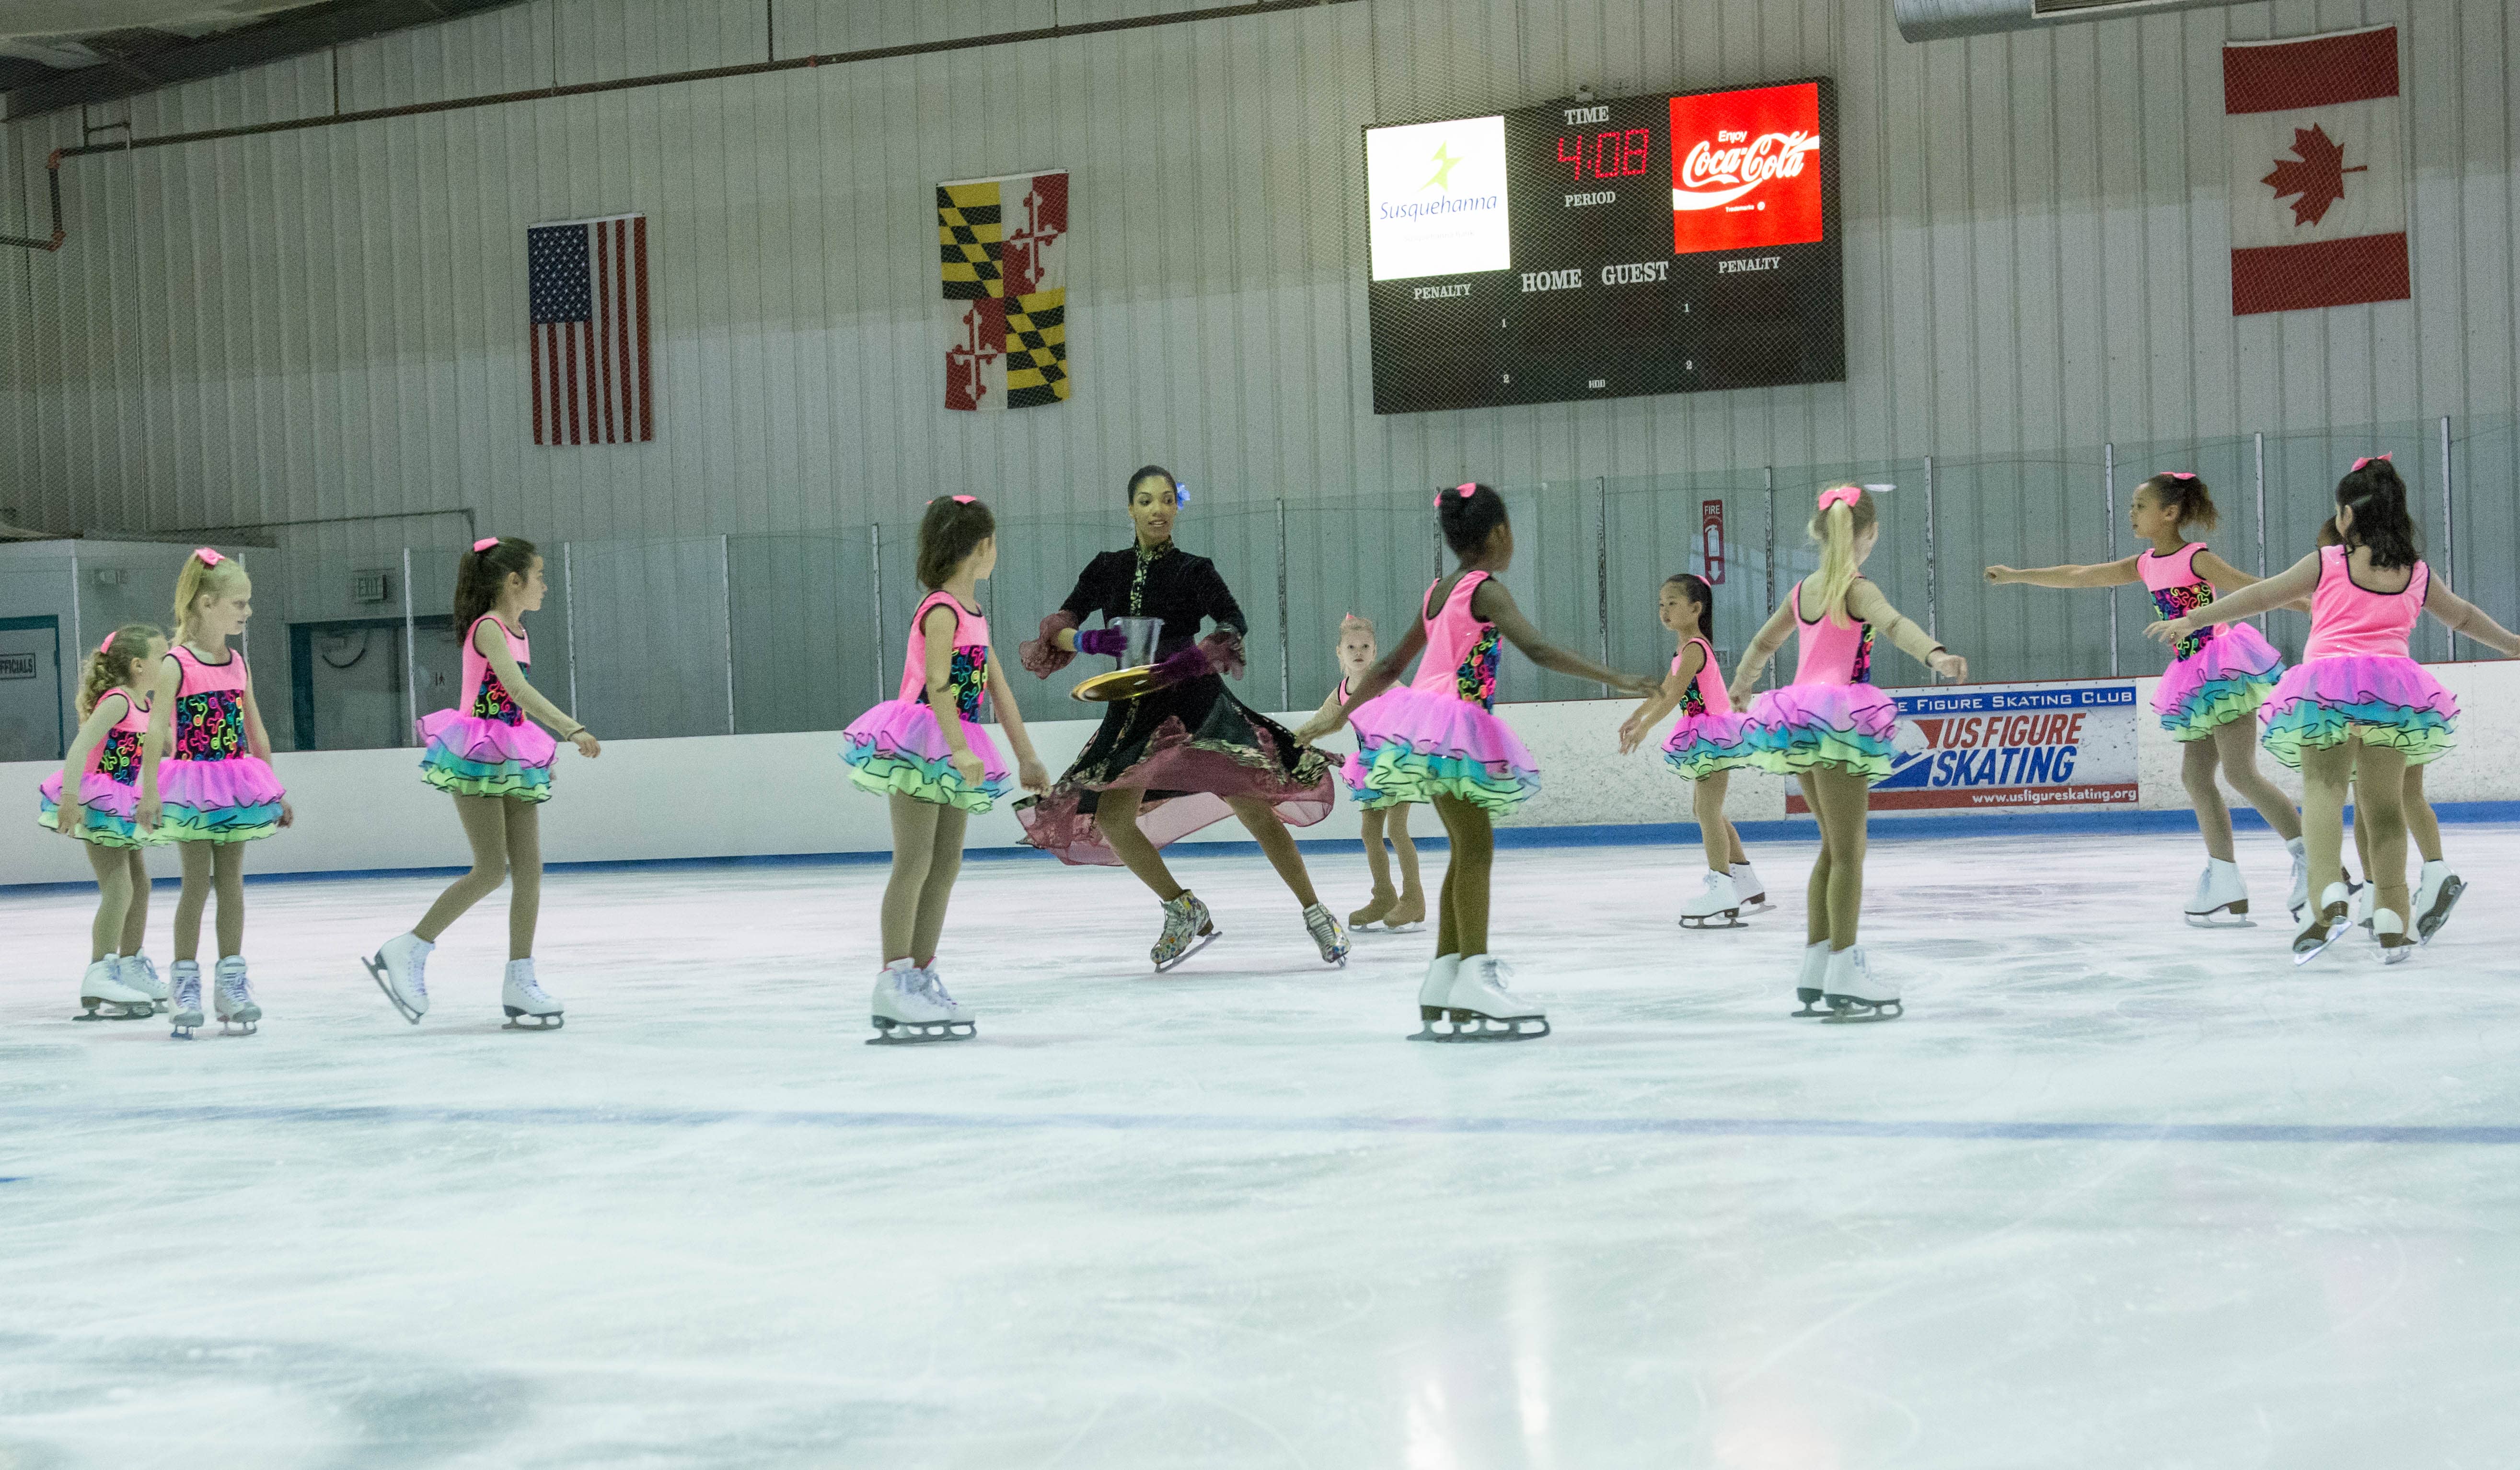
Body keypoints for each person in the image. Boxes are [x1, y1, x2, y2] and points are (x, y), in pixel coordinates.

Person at [1297, 483, 1658, 1042]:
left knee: (1466, 850)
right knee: (1477, 851)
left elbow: (1391, 666)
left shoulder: (1437, 591)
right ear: (1497, 533)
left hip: (1427, 725)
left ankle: (1444, 976)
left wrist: (1338, 715)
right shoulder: (1483, 591)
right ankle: (1474, 973)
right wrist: (1617, 678)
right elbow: (1536, 648)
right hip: (1456, 726)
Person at [2148, 455, 2520, 963]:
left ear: (2345, 515)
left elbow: (2259, 596)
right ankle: (2391, 917)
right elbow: (2463, 617)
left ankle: (2326, 899)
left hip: (2326, 688)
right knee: (2383, 807)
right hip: (2393, 695)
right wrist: (2509, 643)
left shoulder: (2326, 562)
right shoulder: (2416, 573)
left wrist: (2194, 618)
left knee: (2321, 791)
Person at [1018, 466, 1344, 972]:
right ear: (1130, 509)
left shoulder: (1194, 569)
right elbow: (1059, 627)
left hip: (1195, 705)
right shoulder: (1106, 567)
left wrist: (1195, 657)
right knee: (1110, 817)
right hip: (1130, 709)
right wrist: (1088, 640)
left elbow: (1233, 621)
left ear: (1176, 508)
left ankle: (1315, 911)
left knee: (1254, 808)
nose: (1157, 510)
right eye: (1146, 501)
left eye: (1167, 500)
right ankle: (1181, 907)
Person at [1986, 472, 2304, 924]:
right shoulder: (2146, 564)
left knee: (2239, 771)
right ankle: (2225, 877)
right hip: (2193, 676)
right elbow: (2081, 575)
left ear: (2169, 513)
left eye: (2139, 506)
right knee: (2196, 779)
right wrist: (2020, 576)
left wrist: (2311, 603)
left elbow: (2251, 589)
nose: (2131, 514)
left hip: (2224, 667)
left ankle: (2313, 859)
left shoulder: (2198, 557)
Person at [1733, 486, 1968, 1021]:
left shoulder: (1804, 591)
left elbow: (1762, 643)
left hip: (1799, 719)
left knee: (1830, 849)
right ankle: (1844, 966)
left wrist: (1742, 685)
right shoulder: (1854, 588)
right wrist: (1937, 655)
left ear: (1819, 532)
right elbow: (1894, 624)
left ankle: (1815, 965)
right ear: (1869, 534)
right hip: (1839, 720)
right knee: (1848, 854)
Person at [364, 536, 600, 1030]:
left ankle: (520, 978)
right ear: (513, 581)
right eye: (538, 576)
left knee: (529, 872)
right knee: (492, 868)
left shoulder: (518, 630)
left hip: (511, 750)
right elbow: (516, 689)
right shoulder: (488, 627)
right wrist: (569, 728)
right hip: (475, 752)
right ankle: (408, 946)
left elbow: (515, 700)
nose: (545, 585)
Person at [840, 496, 1050, 1042]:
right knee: (914, 861)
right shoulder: (940, 609)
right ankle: (893, 980)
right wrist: (958, 749)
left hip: (955, 743)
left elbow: (997, 690)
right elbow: (937, 683)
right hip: (917, 743)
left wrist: (1026, 754)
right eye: (994, 542)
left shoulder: (975, 614)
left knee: (946, 863)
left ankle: (922, 972)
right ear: (981, 547)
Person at [138, 548, 291, 1038]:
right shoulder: (175, 664)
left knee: (232, 881)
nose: (246, 612)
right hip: (190, 783)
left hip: (235, 783)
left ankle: (231, 980)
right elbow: (155, 731)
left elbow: (256, 732)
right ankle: (184, 982)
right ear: (207, 604)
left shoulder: (237, 662)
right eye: (239, 603)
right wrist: (148, 794)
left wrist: (274, 790)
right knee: (195, 883)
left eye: (246, 603)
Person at [1616, 573, 1766, 927]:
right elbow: (1664, 688)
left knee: (1708, 810)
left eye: (1673, 603)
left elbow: (1672, 696)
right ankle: (1744, 881)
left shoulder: (1696, 648)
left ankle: (1722, 887)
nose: (1665, 611)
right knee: (1704, 807)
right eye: (1661, 605)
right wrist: (1636, 715)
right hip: (1706, 733)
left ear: (1696, 608)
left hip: (1712, 734)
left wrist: (1647, 727)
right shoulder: (1685, 649)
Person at [42, 625, 170, 1020]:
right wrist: (69, 800)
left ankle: (130, 965)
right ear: (137, 666)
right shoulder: (117, 701)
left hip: (124, 803)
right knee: (119, 888)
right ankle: (100, 970)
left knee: (141, 887)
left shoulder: (146, 705)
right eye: (161, 657)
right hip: (98, 803)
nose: (168, 664)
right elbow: (81, 746)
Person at [1302, 612, 1425, 933]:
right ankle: (1384, 896)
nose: (1359, 651)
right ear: (1339, 652)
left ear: (1375, 651)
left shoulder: (1386, 683)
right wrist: (1293, 740)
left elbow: (1415, 712)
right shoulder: (1341, 691)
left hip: (1400, 760)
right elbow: (1321, 720)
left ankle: (1413, 898)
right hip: (1370, 765)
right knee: (1370, 833)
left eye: (1365, 646)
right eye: (1352, 646)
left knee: (1397, 830)